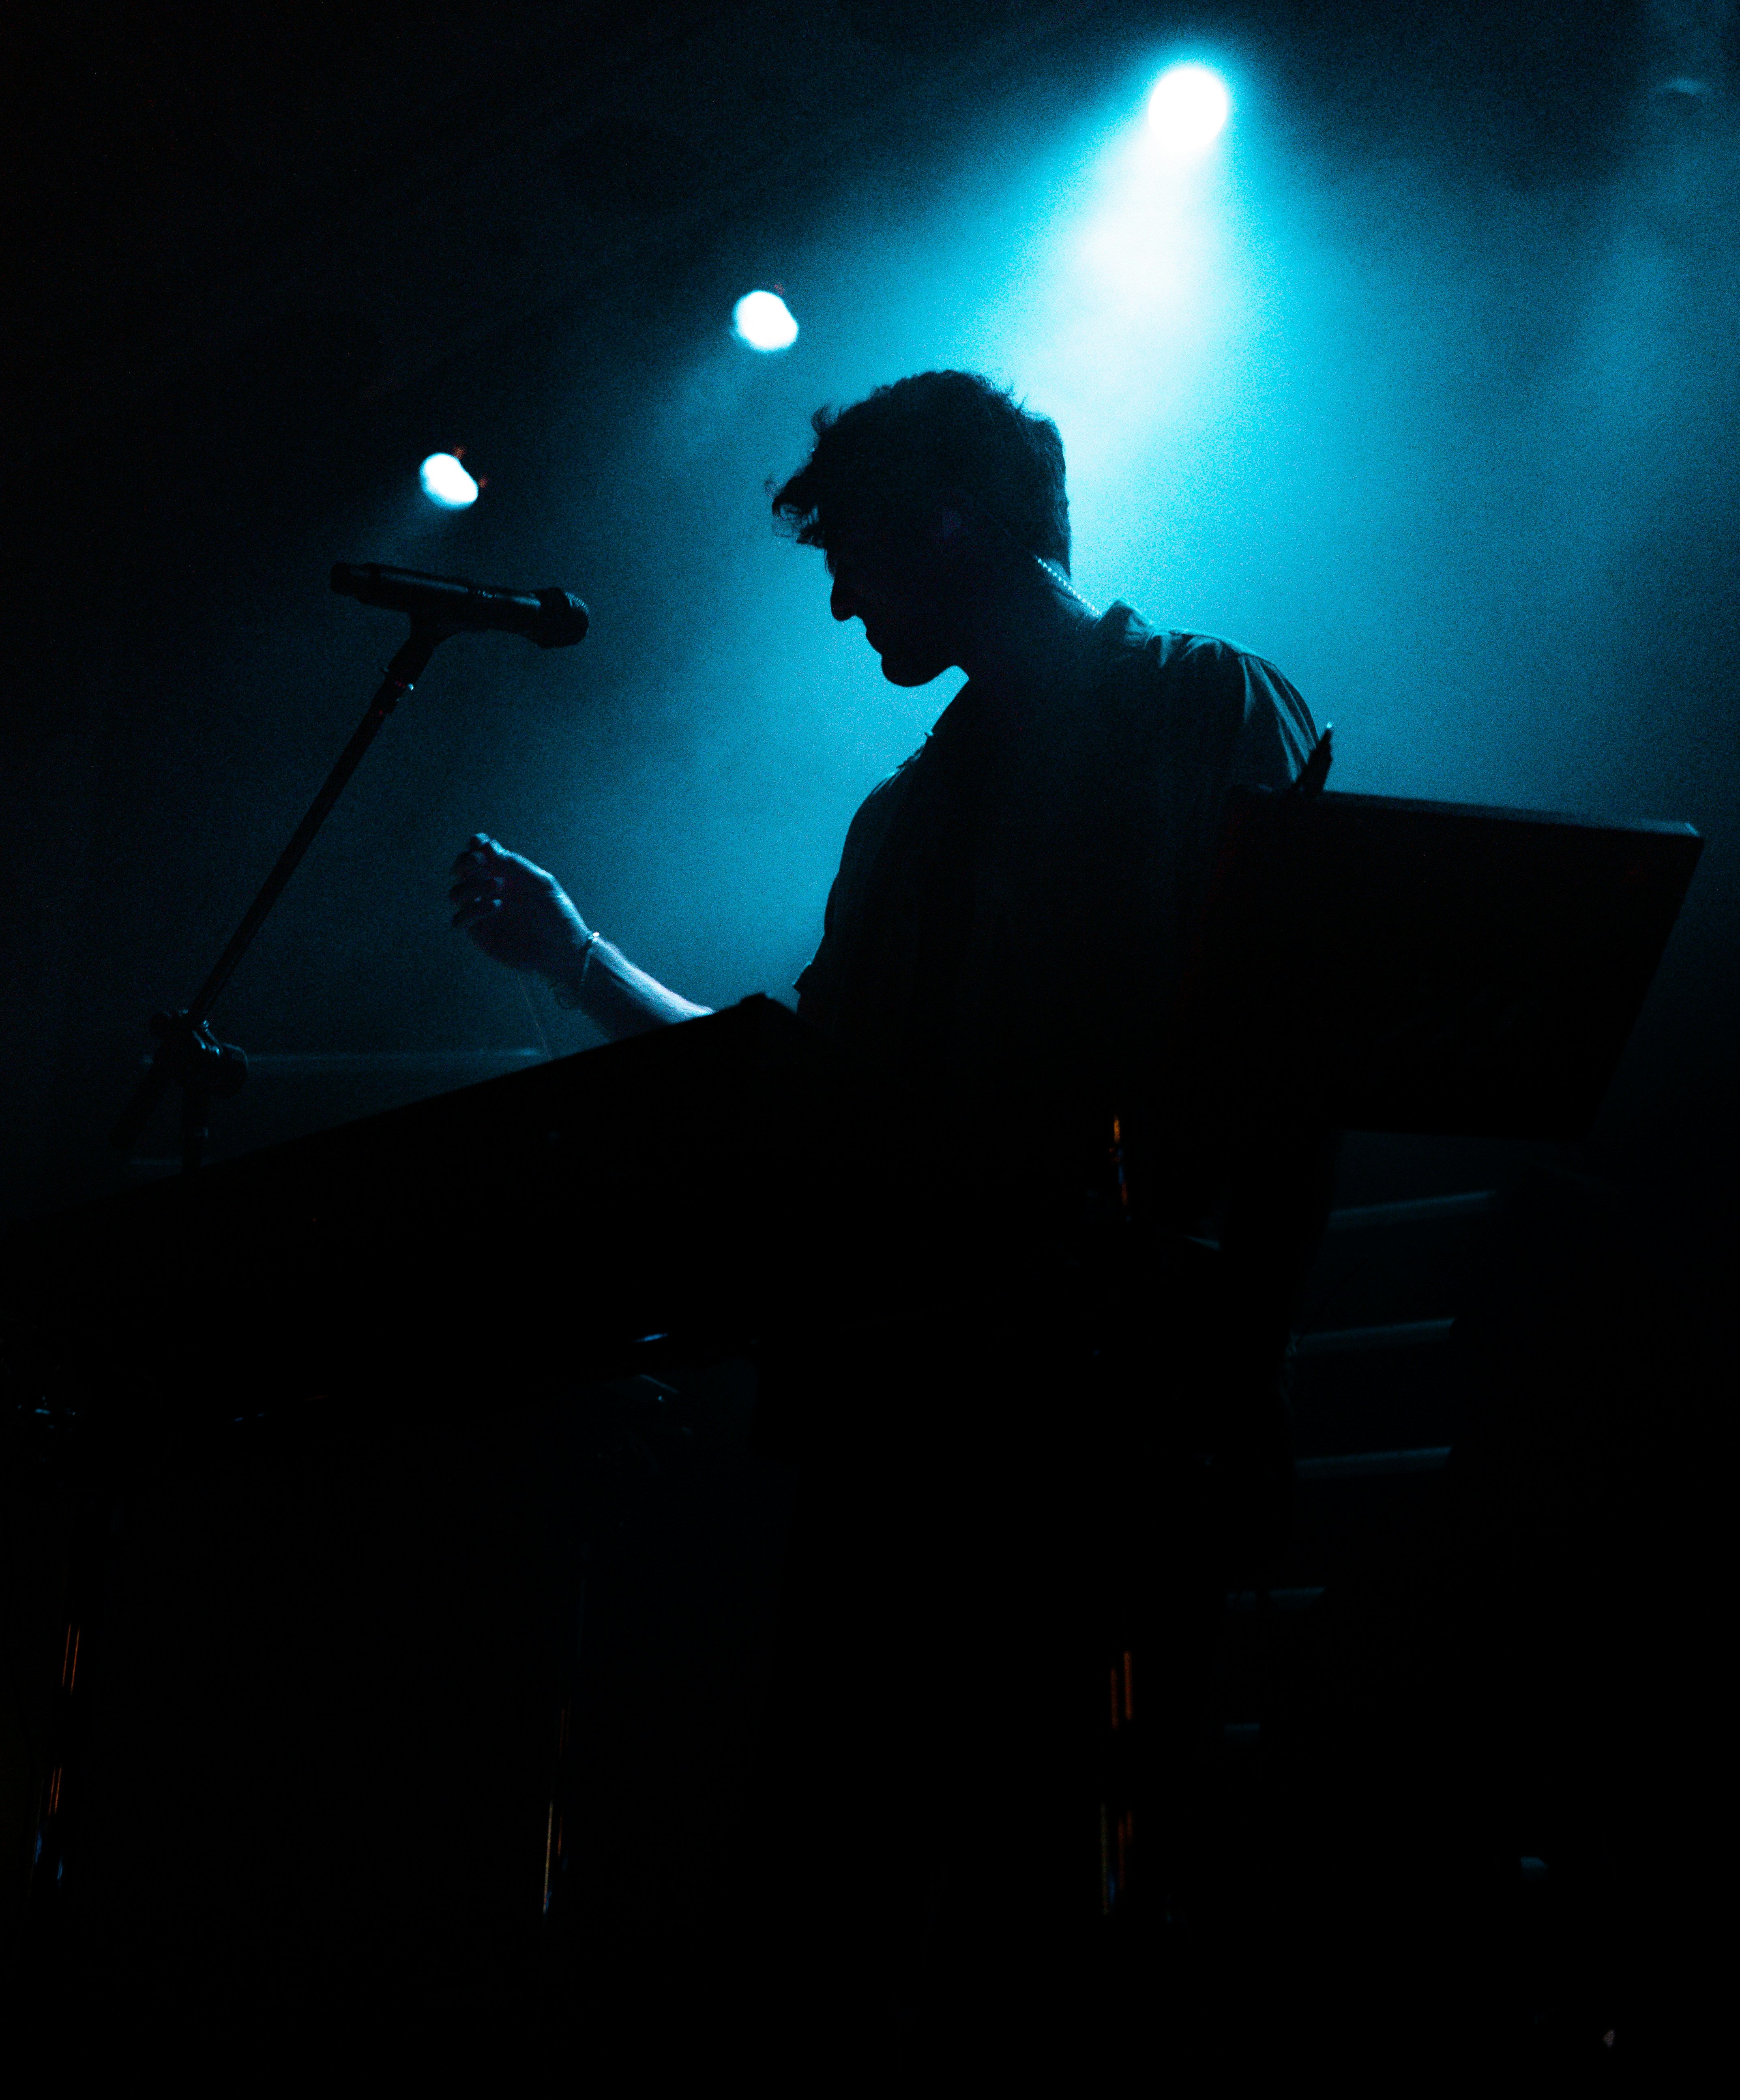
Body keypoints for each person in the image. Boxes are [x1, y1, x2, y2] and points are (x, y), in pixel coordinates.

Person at [448, 371, 1327, 2045]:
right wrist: (578, 960)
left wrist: (1235, 1363)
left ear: (952, 522)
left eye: (853, 551)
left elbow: (1285, 1059)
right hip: (903, 1428)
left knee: (1058, 1895)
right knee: (843, 1887)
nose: (844, 599)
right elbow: (798, 1084)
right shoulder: (907, 817)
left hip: (1116, 1425)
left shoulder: (1205, 706)